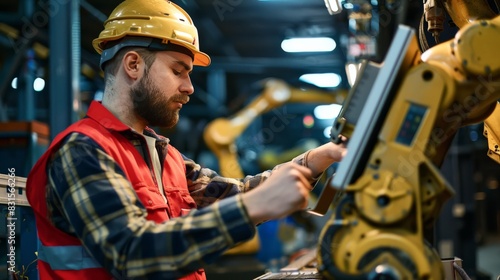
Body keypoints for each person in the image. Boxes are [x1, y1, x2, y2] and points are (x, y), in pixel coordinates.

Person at [26, 0, 347, 279]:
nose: (189, 87)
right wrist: (252, 207)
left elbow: (236, 195)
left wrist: (317, 159)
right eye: (178, 70)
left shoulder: (163, 155)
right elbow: (132, 254)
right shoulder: (82, 151)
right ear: (133, 64)